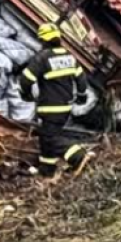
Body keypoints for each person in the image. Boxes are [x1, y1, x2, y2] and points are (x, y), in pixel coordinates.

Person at [20, 22, 94, 177]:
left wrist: (26, 94)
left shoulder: (43, 58)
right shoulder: (68, 56)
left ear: (43, 41)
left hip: (50, 108)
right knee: (47, 137)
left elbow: (26, 79)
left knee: (49, 139)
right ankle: (47, 170)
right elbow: (81, 79)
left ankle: (78, 156)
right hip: (65, 108)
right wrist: (81, 96)